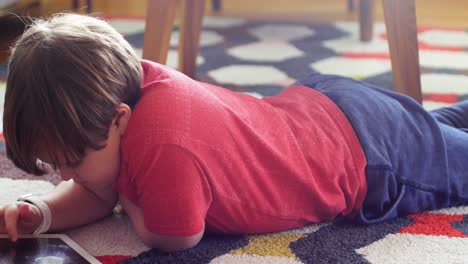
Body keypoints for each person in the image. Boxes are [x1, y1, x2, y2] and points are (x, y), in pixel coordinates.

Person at [1, 13, 467, 253]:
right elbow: (95, 188)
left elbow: (173, 236)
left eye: (71, 160)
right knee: (439, 129)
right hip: (328, 108)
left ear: (120, 118)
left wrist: (131, 199)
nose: (63, 173)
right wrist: (39, 213)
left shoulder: (165, 148)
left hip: (371, 160)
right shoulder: (128, 88)